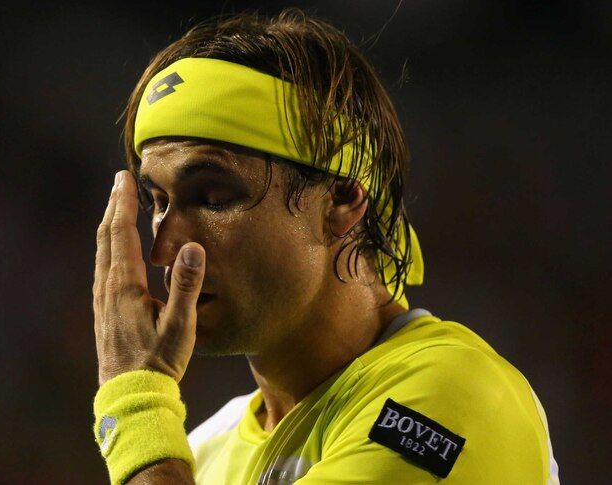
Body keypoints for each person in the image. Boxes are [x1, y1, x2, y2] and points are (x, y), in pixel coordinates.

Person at [91, 10, 559, 485]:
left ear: (341, 199)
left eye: (214, 199)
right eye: (159, 202)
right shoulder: (200, 452)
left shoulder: (450, 398)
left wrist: (136, 405)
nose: (165, 250)